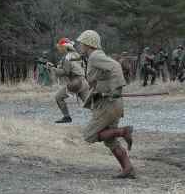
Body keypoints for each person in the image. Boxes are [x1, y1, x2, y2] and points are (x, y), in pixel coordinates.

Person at [77, 30, 135, 179]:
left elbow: (116, 66)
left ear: (88, 43)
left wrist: (117, 88)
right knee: (110, 140)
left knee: (89, 135)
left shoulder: (95, 56)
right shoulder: (96, 56)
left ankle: (123, 132)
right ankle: (128, 168)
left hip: (108, 104)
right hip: (112, 103)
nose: (80, 45)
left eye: (81, 43)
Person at [50, 38, 89, 124]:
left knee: (58, 97)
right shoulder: (76, 55)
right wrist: (56, 67)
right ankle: (103, 116)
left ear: (64, 47)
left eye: (60, 47)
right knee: (89, 103)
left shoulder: (67, 57)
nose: (59, 49)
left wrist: (53, 70)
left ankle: (66, 117)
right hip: (83, 82)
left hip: (76, 83)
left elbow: (65, 72)